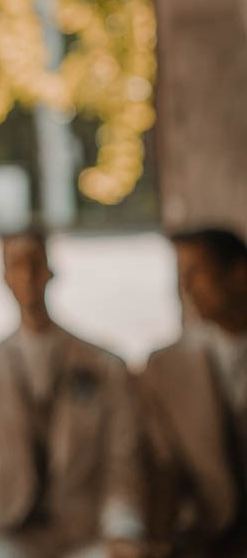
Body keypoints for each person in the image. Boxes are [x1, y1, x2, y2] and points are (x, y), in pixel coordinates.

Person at [0, 229, 144, 558]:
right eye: (16, 265)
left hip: (84, 532)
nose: (27, 276)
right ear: (4, 276)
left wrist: (123, 528)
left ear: (51, 270)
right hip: (8, 531)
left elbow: (122, 461)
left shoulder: (104, 365)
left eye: (35, 264)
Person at [139, 227, 247, 557]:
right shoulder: (168, 367)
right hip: (211, 538)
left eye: (195, 272)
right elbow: (164, 465)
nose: (186, 287)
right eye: (182, 275)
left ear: (240, 274)